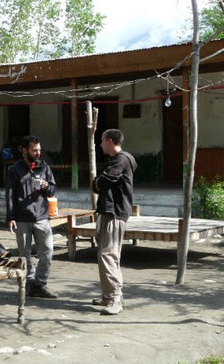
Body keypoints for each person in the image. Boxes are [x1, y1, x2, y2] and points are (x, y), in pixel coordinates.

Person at [5, 135, 58, 299]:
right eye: (34, 150)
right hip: (22, 217)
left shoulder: (44, 168)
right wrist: (10, 217)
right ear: (24, 150)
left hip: (42, 216)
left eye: (39, 150)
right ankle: (28, 284)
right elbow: (10, 195)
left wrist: (46, 186)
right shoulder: (14, 170)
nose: (38, 153)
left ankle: (40, 283)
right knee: (24, 254)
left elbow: (53, 189)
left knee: (47, 252)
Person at [92, 129, 137, 316]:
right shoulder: (116, 160)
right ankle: (107, 295)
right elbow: (99, 182)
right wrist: (97, 182)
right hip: (108, 211)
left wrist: (97, 182)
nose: (100, 144)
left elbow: (102, 182)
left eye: (102, 141)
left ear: (110, 141)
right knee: (105, 255)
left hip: (115, 212)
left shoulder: (121, 159)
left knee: (108, 255)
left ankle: (115, 298)